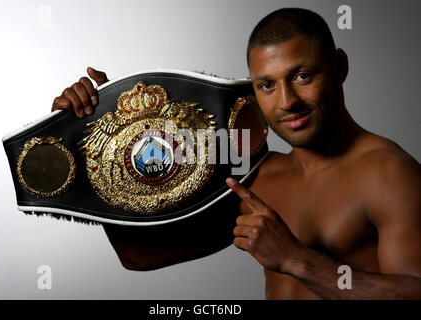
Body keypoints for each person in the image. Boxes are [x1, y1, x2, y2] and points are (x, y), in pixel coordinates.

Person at [51, 8, 421, 299]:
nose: (287, 101)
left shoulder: (388, 173)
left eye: (302, 75)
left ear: (338, 67)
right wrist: (99, 144)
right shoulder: (256, 175)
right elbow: (139, 257)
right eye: (267, 85)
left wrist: (296, 260)